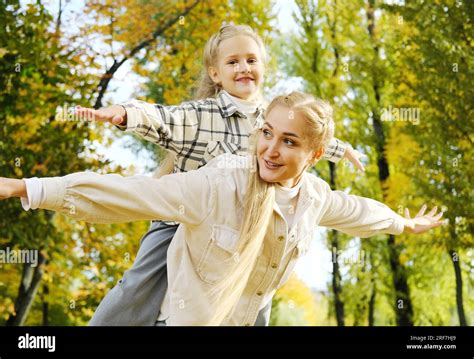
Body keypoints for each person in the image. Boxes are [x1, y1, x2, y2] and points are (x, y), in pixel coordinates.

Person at [1, 91, 444, 326]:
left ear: (315, 154)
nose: (269, 150)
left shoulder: (314, 198)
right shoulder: (220, 182)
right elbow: (130, 193)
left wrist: (404, 222)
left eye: (289, 142)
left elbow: (359, 211)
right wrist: (25, 186)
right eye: (266, 133)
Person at [74, 24, 364, 326]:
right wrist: (124, 112)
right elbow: (160, 118)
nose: (244, 68)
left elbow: (306, 135)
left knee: (257, 292)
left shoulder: (273, 115)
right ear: (215, 74)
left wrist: (341, 149)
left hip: (238, 227)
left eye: (252, 60)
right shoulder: (201, 115)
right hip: (182, 221)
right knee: (137, 286)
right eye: (233, 62)